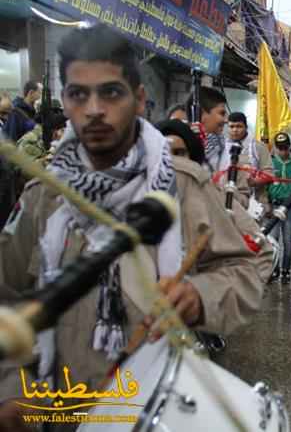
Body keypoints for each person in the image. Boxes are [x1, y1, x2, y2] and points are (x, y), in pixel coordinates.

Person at [0, 25, 272, 432]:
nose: (94, 109)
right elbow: (7, 299)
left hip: (156, 409)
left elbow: (244, 273)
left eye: (110, 92)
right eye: (78, 94)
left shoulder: (183, 185)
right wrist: (9, 392)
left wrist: (199, 296)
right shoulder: (44, 197)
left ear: (139, 101)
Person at [206, 110, 273, 213]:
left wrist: (254, 181)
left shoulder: (258, 147)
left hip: (255, 204)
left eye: (239, 126)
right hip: (226, 202)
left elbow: (269, 174)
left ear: (246, 127)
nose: (235, 130)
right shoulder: (220, 147)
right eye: (231, 127)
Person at [268, 132, 291, 284]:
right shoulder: (271, 163)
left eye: (285, 148)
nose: (283, 151)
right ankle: (274, 269)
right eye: (280, 148)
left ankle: (286, 270)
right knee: (273, 239)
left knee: (287, 239)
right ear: (275, 148)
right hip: (274, 205)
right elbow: (265, 184)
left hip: (290, 206)